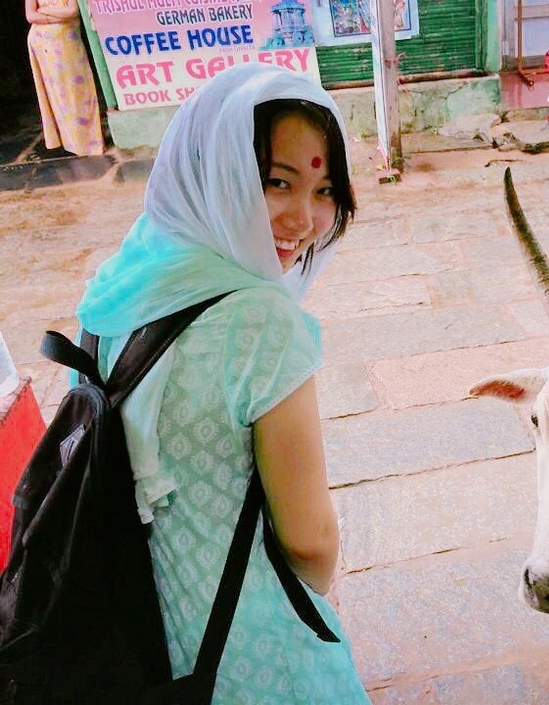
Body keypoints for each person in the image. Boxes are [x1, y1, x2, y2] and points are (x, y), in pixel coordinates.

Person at [72, 64, 369, 703]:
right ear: (215, 169)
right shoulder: (262, 323)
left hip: (136, 626)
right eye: (276, 182)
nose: (306, 219)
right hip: (248, 648)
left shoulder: (121, 285)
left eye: (324, 190)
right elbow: (309, 540)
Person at [25, 0, 105, 156]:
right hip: (42, 44)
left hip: (67, 41)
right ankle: (69, 141)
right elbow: (30, 16)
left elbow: (72, 12)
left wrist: (45, 12)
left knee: (77, 90)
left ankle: (88, 141)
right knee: (56, 94)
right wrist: (56, 16)